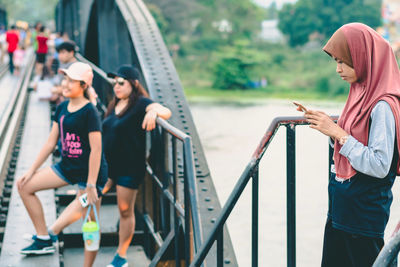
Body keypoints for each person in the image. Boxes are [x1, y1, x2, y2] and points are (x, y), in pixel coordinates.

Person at [301, 23, 400, 266]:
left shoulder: (382, 105)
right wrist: (326, 124)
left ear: (364, 58)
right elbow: (355, 137)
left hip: (362, 219)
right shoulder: (359, 93)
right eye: (336, 61)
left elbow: (380, 164)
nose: (338, 69)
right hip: (342, 210)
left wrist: (336, 132)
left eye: (344, 61)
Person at [17, 62, 108, 267]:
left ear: (84, 86)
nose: (65, 84)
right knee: (24, 186)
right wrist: (31, 170)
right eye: (65, 79)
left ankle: (84, 263)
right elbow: (51, 142)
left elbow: (96, 149)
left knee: (90, 224)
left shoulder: (90, 112)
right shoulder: (62, 108)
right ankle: (43, 238)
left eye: (71, 81)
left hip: (90, 174)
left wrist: (92, 184)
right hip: (67, 167)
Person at [102, 65, 171, 267]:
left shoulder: (140, 104)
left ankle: (120, 256)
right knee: (88, 198)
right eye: (115, 83)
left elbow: (164, 110)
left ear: (134, 84)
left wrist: (154, 112)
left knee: (125, 210)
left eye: (121, 83)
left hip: (129, 168)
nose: (117, 86)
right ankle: (51, 232)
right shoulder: (114, 104)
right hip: (109, 168)